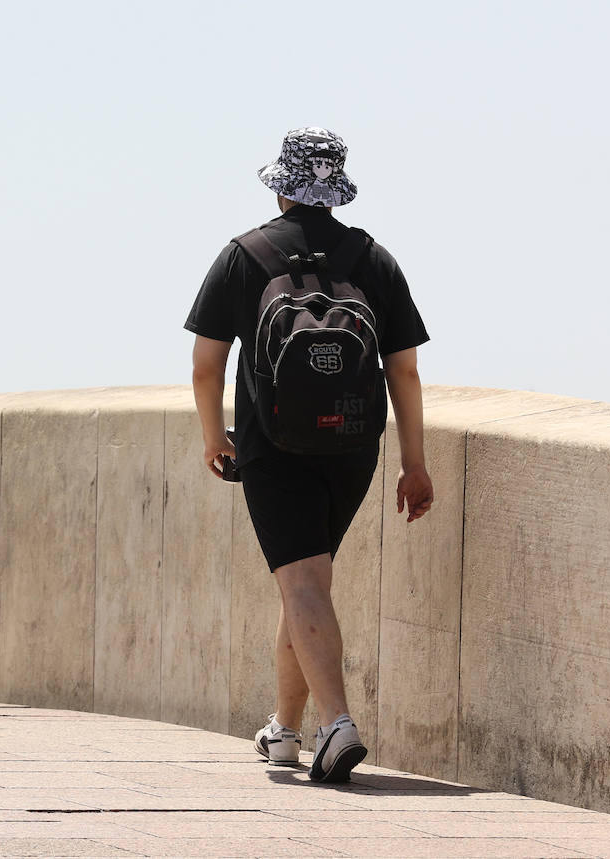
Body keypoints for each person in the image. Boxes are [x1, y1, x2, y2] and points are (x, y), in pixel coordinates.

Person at [185, 127, 434, 783]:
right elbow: (402, 372)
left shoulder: (245, 255)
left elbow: (207, 365)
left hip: (273, 444)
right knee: (306, 585)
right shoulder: (372, 258)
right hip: (353, 447)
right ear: (334, 188)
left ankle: (337, 725)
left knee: (301, 583)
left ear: (281, 185)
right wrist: (414, 461)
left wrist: (216, 435)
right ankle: (285, 730)